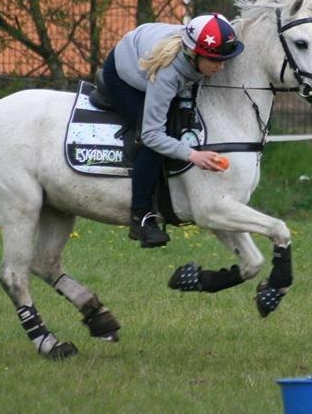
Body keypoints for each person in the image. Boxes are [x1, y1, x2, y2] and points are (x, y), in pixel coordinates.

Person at [102, 13, 244, 248]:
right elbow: (151, 134)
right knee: (158, 137)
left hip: (145, 48)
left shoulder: (197, 50)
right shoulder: (167, 74)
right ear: (195, 54)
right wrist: (193, 155)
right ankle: (142, 217)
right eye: (215, 60)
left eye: (225, 58)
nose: (223, 65)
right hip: (122, 75)